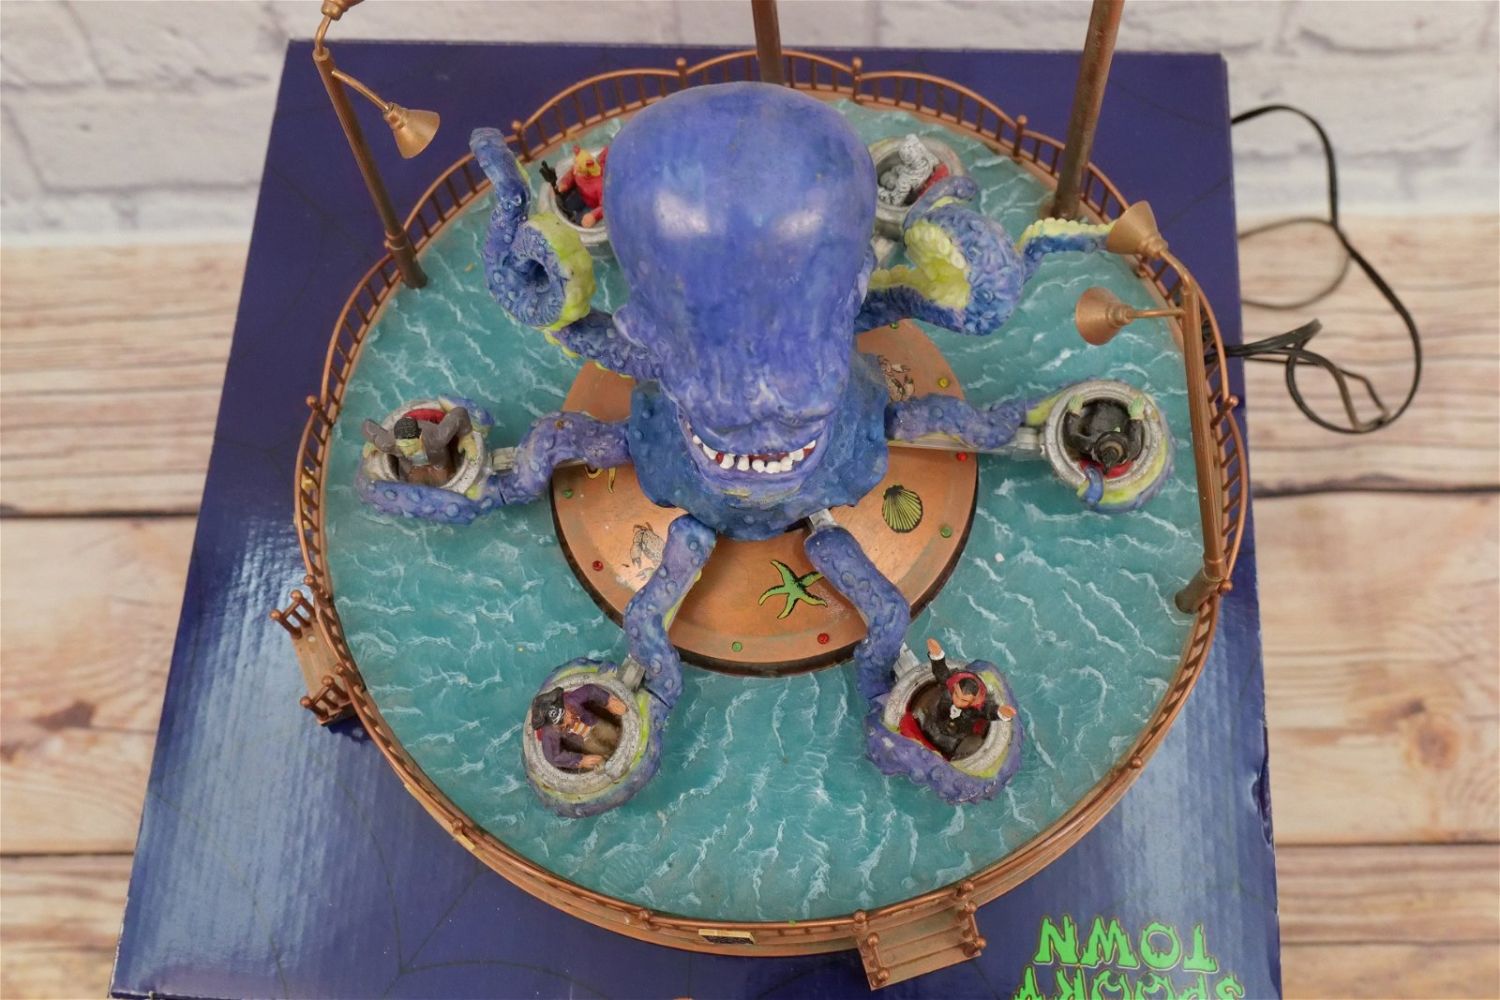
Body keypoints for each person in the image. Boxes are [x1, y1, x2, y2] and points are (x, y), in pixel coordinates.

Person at [914, 638, 1015, 760]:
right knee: (925, 729)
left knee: (947, 749)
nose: (957, 701)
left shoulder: (978, 708)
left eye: (964, 700)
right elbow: (941, 672)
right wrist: (937, 656)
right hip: (935, 723)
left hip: (954, 737)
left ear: (973, 701)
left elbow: (989, 711)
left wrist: (1001, 713)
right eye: (956, 695)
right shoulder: (949, 686)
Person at [362, 405, 472, 487]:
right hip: (411, 466)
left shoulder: (437, 438)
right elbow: (367, 426)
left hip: (438, 461)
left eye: (409, 445)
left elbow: (459, 413)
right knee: (410, 486)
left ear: (419, 437)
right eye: (402, 446)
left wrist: (466, 438)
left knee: (445, 482)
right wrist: (373, 443)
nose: (407, 452)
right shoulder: (390, 444)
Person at [530, 684, 627, 772]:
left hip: (593, 723)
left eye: (565, 714)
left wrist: (608, 701)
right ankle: (609, 756)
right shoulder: (550, 733)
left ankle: (620, 740)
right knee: (600, 751)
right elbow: (553, 757)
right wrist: (580, 760)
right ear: (552, 725)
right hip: (584, 740)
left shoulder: (571, 701)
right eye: (561, 722)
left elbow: (590, 690)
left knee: (611, 733)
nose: (569, 720)